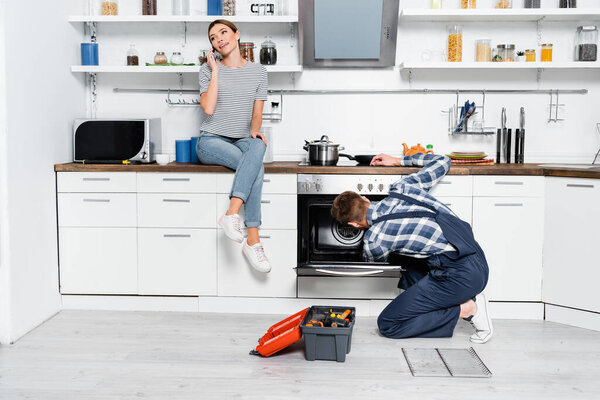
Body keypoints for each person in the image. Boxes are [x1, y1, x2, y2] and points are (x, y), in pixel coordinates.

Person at [330, 153, 493, 343]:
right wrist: (398, 161)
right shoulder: (403, 187)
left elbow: (372, 260)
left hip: (459, 278)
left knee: (388, 324)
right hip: (477, 259)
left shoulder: (375, 239)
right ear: (365, 198)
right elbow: (443, 161)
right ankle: (444, 300)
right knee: (409, 263)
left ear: (354, 225)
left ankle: (468, 309)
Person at [196, 19, 270, 273]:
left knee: (258, 146)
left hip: (241, 139)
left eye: (223, 32)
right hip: (211, 140)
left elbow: (257, 113)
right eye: (213, 38)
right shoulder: (207, 70)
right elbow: (208, 108)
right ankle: (252, 238)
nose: (219, 39)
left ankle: (231, 214)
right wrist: (215, 71)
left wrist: (254, 131)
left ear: (237, 35)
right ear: (213, 47)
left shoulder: (259, 71)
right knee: (255, 169)